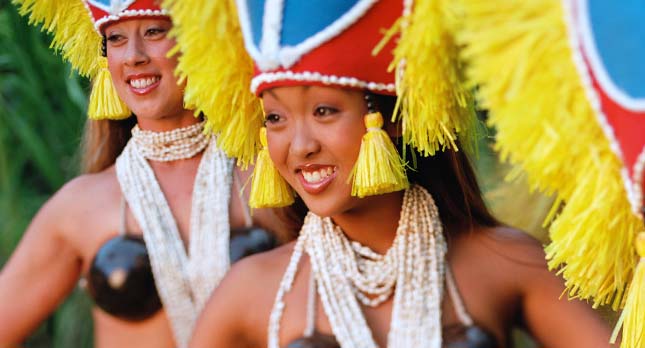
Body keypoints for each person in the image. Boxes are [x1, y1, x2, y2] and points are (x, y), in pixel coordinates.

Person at [164, 0, 613, 347]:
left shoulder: (503, 263)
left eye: (324, 111)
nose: (299, 146)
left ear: (393, 118)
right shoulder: (251, 292)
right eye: (276, 118)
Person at [0, 1, 285, 347]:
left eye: (154, 31)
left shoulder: (270, 181)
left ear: (199, 42)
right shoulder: (80, 207)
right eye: (116, 38)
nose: (133, 56)